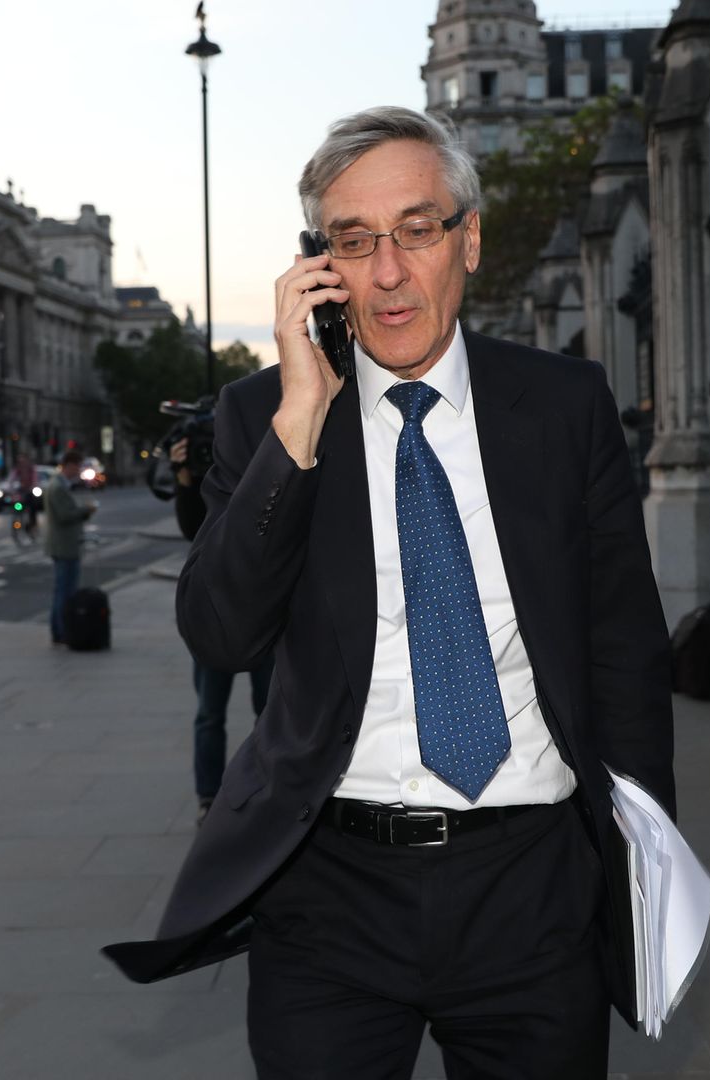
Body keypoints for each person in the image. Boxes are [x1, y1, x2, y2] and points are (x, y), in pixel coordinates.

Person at [104, 106, 674, 1079]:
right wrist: (298, 418)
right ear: (317, 261)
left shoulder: (563, 405)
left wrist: (642, 872)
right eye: (353, 241)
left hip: (532, 890)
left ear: (470, 239)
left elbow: (624, 650)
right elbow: (220, 633)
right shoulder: (265, 416)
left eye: (417, 230)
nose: (386, 272)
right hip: (330, 894)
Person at [169, 436, 275, 823]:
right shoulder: (210, 475)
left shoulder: (267, 461)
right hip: (215, 614)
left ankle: (269, 790)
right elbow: (191, 529)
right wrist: (184, 480)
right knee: (209, 714)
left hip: (266, 611)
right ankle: (208, 797)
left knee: (271, 712)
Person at [44, 447, 96, 645]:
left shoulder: (60, 485)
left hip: (65, 545)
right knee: (65, 592)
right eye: (77, 467)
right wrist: (86, 510)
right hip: (64, 546)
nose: (78, 471)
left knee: (62, 590)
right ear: (68, 466)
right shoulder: (57, 487)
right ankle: (62, 630)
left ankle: (58, 629)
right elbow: (64, 516)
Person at [7, 452, 41, 537]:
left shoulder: (31, 469)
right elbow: (11, 479)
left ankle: (33, 525)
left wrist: (33, 486)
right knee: (17, 504)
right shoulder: (17, 469)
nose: (22, 463)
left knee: (32, 507)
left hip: (29, 490)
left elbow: (35, 479)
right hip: (21, 489)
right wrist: (11, 489)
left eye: (23, 460)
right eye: (20, 461)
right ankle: (17, 520)